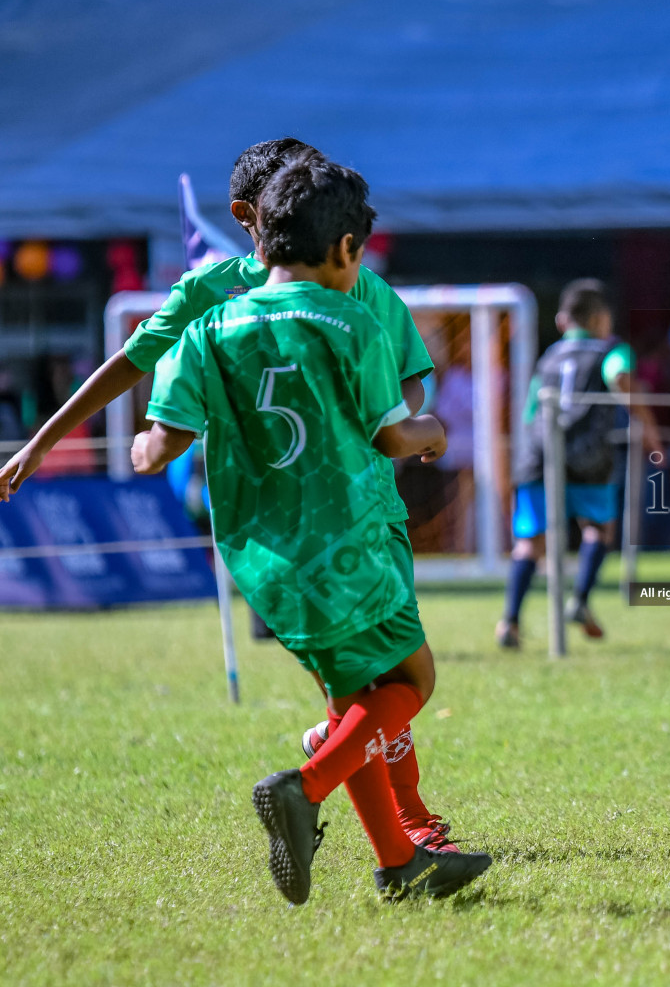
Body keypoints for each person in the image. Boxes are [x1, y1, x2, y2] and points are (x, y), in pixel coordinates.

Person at [0, 138, 457, 852]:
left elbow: (405, 377)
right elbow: (131, 363)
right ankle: (399, 824)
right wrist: (43, 440)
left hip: (351, 514)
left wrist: (390, 417)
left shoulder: (359, 287)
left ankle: (391, 830)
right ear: (254, 213)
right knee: (390, 683)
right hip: (318, 520)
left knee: (362, 689)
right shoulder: (216, 294)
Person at [130, 158, 491, 902]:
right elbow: (393, 436)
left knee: (351, 694)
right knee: (411, 680)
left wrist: (145, 448)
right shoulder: (352, 319)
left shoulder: (209, 328)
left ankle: (400, 861)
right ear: (348, 251)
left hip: (264, 556)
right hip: (349, 541)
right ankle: (309, 782)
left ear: (258, 243)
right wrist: (435, 434)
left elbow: (162, 436)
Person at [497, 279, 663, 650]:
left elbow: (529, 411)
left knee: (529, 544)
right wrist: (649, 429)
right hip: (589, 456)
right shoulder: (611, 349)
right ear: (602, 318)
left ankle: (509, 620)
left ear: (561, 321)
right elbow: (619, 376)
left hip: (539, 456)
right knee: (598, 529)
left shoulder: (549, 356)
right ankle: (581, 600)